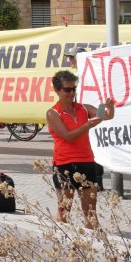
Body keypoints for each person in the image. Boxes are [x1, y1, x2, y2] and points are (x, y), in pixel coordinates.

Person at [46, 70, 114, 228]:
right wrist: (88, 125)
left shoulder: (83, 108)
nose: (71, 93)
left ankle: (92, 248)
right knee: (64, 210)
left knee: (90, 212)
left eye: (73, 89)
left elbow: (106, 116)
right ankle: (62, 245)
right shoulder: (53, 113)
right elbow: (68, 137)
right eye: (67, 90)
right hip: (64, 165)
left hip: (86, 162)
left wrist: (110, 109)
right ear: (57, 90)